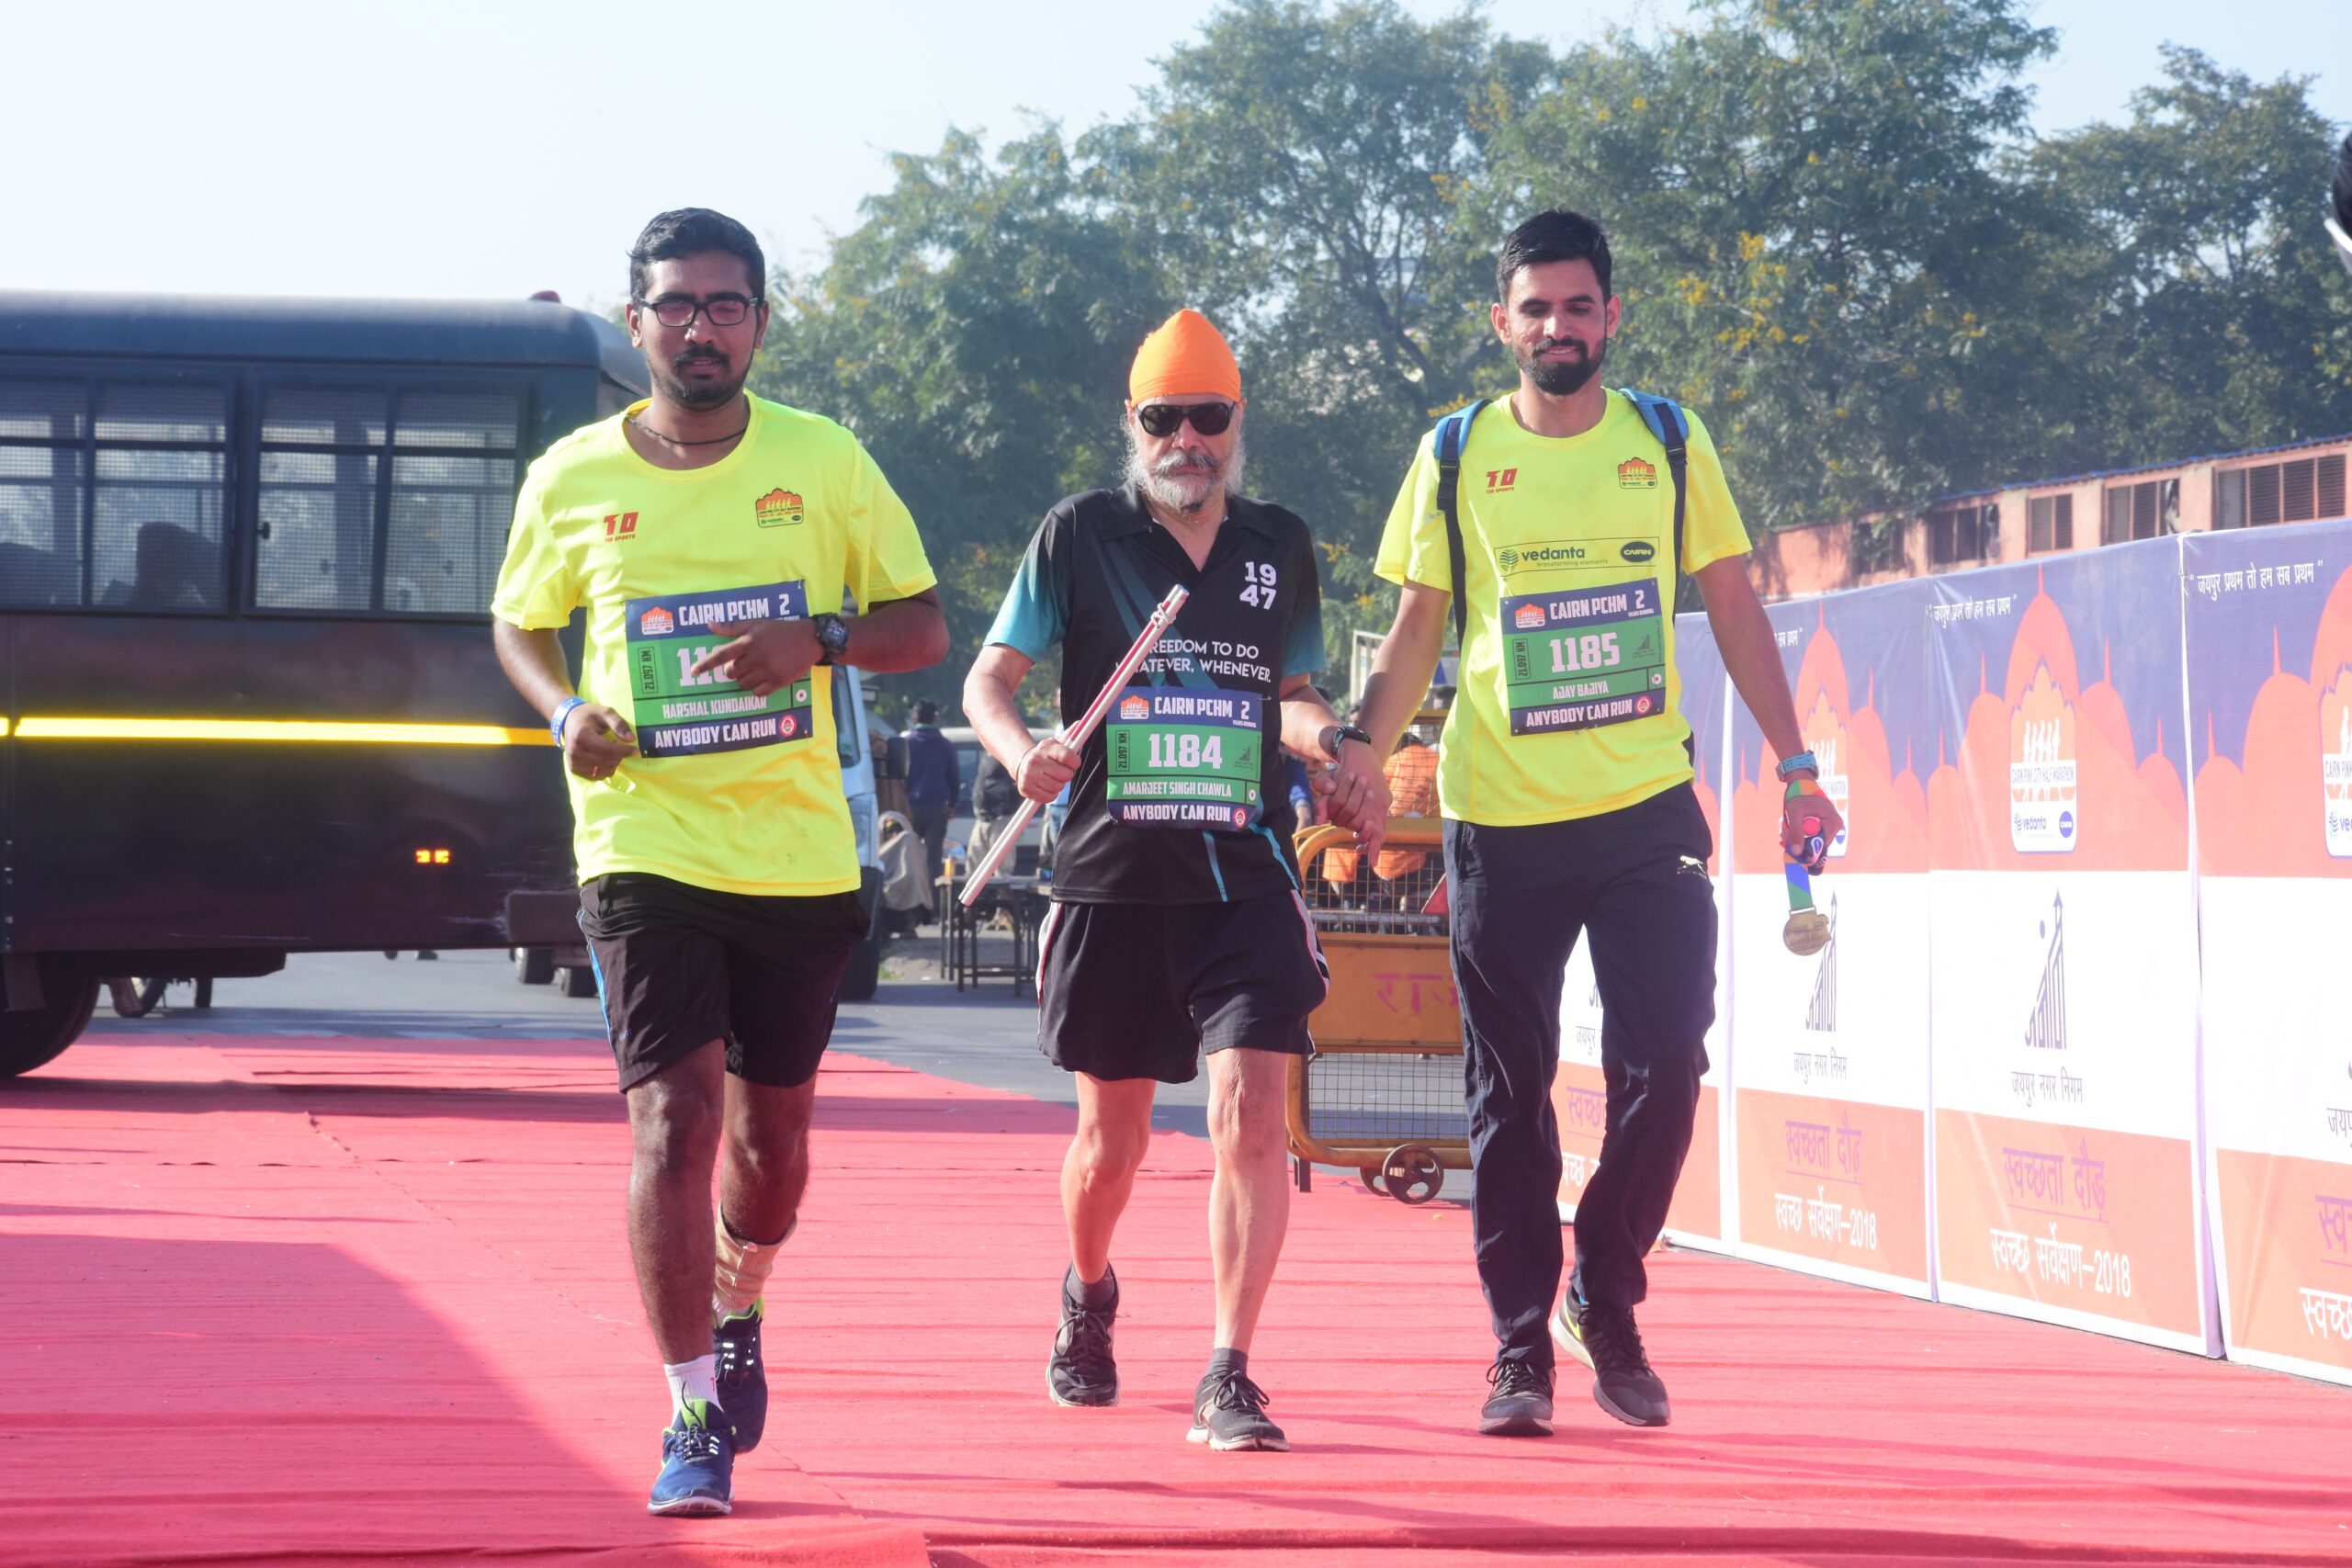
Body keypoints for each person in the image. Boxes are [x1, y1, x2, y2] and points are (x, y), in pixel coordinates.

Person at [1348, 209, 1840, 1438]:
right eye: (1536, 308)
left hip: (1642, 813)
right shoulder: (1454, 453)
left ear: (1612, 315)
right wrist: (1360, 751)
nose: (1557, 327)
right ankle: (1519, 1346)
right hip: (1500, 820)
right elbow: (1417, 628)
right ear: (1500, 322)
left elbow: (1733, 604)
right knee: (1509, 1095)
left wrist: (1797, 764)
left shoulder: (1668, 440)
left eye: (1578, 306)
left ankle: (1602, 1293)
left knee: (1667, 1063)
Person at [490, 208, 946, 1516]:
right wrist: (563, 712)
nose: (702, 328)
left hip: (796, 854)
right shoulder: (572, 475)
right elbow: (520, 623)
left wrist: (822, 639)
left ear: (759, 322)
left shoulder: (825, 459)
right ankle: (692, 1404)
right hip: (642, 838)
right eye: (678, 305)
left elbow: (922, 624)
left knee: (772, 1147)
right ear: (637, 322)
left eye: (726, 305)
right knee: (672, 1118)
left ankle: (741, 1300)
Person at [963, 307, 1374, 1452]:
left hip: (1243, 873)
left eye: (1207, 418)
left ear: (1238, 423)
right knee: (1114, 1146)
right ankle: (1087, 1290)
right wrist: (1020, 753)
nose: (1186, 440)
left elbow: (1291, 694)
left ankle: (1229, 1368)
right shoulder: (1079, 534)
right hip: (1111, 876)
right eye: (1163, 419)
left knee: (1249, 1113)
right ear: (1132, 425)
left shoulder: (1278, 544)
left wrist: (1332, 745)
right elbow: (988, 679)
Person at [901, 699, 959, 889]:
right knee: (933, 859)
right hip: (937, 810)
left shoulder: (906, 744)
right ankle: (932, 902)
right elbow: (954, 779)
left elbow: (898, 778)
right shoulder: (946, 746)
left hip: (910, 809)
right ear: (934, 719)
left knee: (909, 856)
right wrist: (952, 805)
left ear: (914, 718)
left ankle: (910, 901)